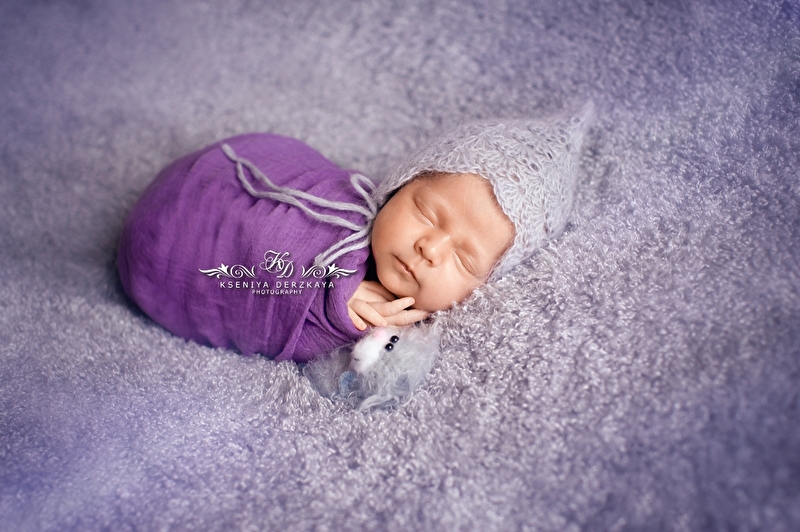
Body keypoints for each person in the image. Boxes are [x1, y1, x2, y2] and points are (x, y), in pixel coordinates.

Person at [117, 103, 593, 362]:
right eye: (426, 212)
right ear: (398, 185)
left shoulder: (396, 332)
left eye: (464, 259)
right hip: (205, 195)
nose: (430, 247)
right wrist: (329, 289)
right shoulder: (342, 208)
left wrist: (338, 320)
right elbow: (263, 238)